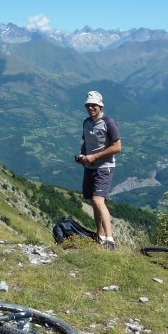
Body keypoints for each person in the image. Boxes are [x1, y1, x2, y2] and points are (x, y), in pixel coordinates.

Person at [75, 90, 122, 249]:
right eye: (88, 105)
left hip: (104, 167)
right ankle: (100, 236)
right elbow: (86, 143)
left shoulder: (109, 123)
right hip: (89, 167)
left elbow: (117, 147)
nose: (90, 108)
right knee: (94, 202)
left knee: (97, 200)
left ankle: (110, 240)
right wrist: (82, 156)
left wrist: (95, 157)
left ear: (100, 106)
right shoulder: (86, 123)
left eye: (94, 105)